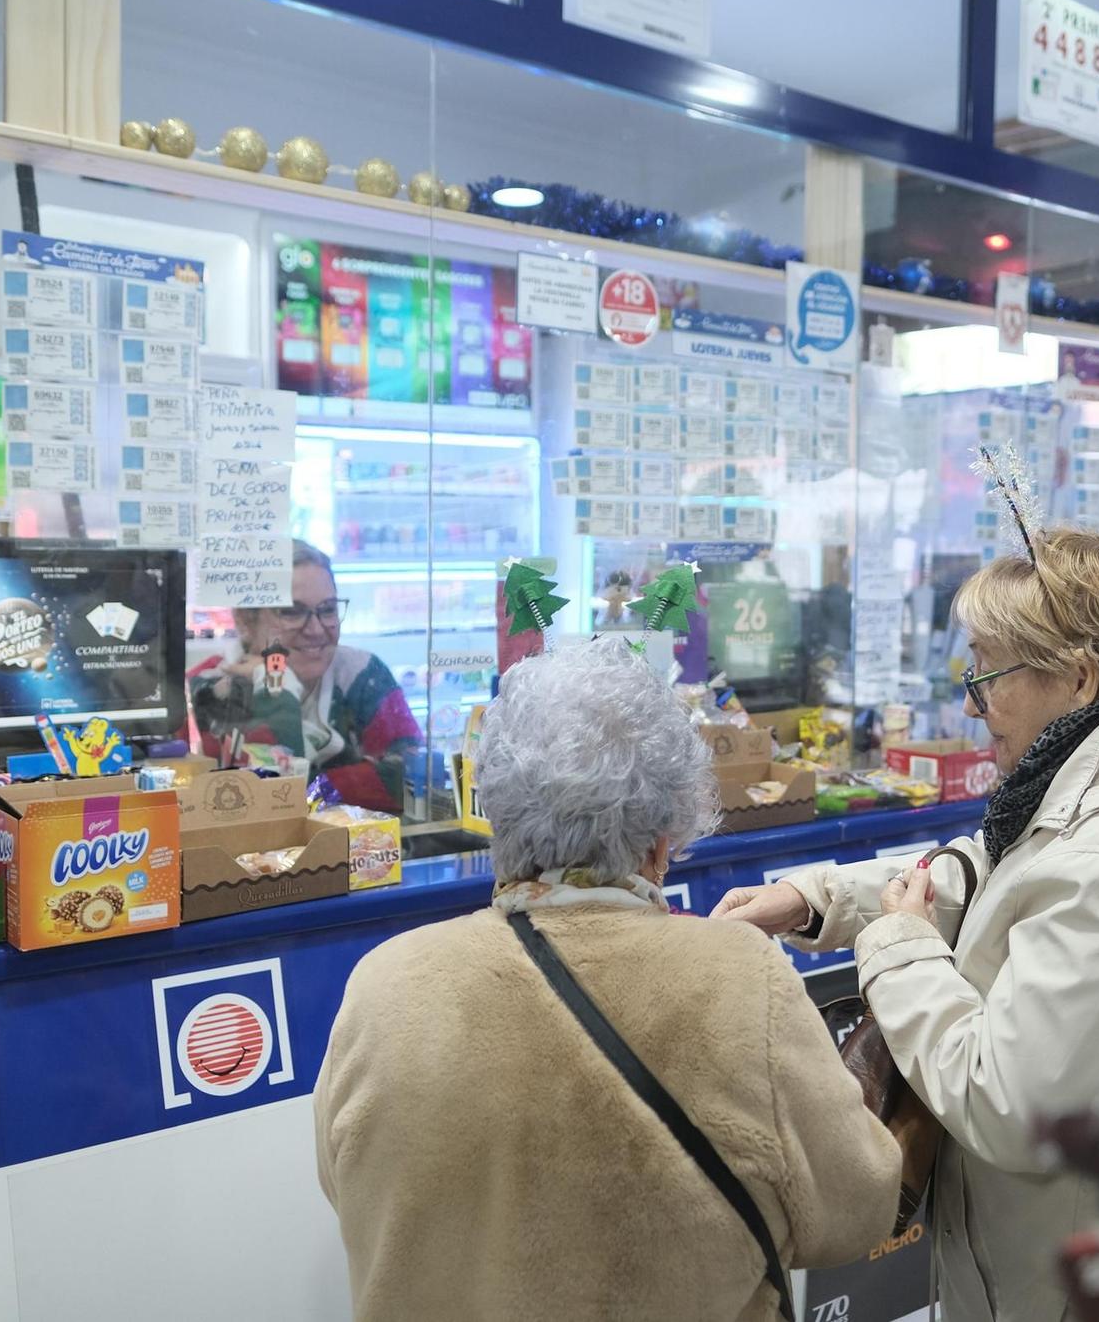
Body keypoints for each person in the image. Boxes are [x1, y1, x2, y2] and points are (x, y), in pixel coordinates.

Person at [712, 528, 1099, 1322]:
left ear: (1077, 676)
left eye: (987, 672)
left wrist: (897, 950)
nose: (970, 702)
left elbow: (1009, 1102)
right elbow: (1001, 863)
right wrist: (820, 895)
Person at [315, 638, 901, 1320]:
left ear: (497, 815)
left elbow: (347, 1182)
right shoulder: (742, 978)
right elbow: (856, 1208)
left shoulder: (386, 985)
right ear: (661, 840)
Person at [189, 540, 421, 812]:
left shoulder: (362, 672)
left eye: (328, 609)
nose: (315, 629)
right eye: (291, 612)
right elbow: (260, 801)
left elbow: (413, 776)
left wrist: (314, 788)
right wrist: (278, 686)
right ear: (245, 621)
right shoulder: (208, 688)